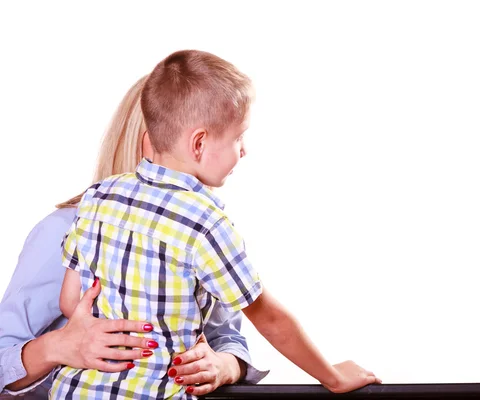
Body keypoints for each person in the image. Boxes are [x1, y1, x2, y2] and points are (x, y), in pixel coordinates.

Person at [51, 49, 380, 399]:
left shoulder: (100, 196)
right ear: (199, 143)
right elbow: (269, 318)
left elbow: (71, 300)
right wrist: (332, 377)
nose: (243, 150)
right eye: (238, 137)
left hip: (74, 391)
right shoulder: (203, 222)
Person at [0, 75, 267, 399]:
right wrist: (58, 347)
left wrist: (224, 366)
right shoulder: (65, 228)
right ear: (149, 144)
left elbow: (228, 337)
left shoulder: (198, 234)